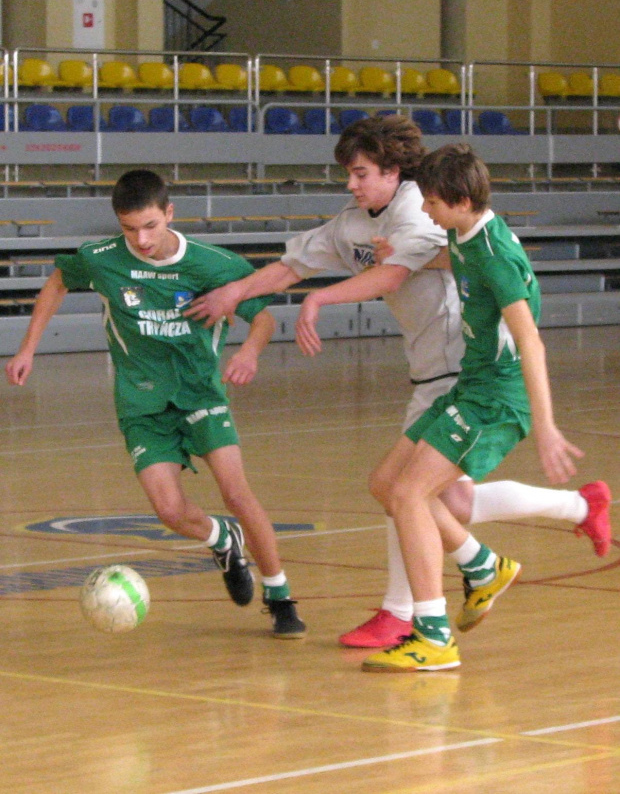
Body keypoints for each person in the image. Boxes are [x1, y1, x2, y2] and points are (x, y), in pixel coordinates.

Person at [184, 117, 612, 650]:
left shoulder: (423, 203)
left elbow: (399, 274)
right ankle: (562, 518)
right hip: (438, 371)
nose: (351, 184)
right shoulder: (356, 222)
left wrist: (322, 298)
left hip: (469, 369)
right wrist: (237, 292)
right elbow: (291, 267)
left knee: (408, 492)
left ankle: (408, 612)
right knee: (438, 500)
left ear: (393, 172)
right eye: (348, 174)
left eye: (360, 173)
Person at [5, 169, 306, 640]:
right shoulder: (102, 259)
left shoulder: (212, 264)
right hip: (142, 403)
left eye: (150, 225)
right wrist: (27, 348)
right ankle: (222, 540)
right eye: (129, 228)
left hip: (201, 394)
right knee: (169, 511)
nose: (141, 239)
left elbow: (262, 318)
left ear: (169, 213)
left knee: (237, 494)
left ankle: (281, 596)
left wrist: (247, 352)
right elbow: (57, 284)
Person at [361, 142, 599, 672]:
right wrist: (402, 259)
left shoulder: (497, 259)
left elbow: (531, 343)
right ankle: (481, 565)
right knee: (385, 483)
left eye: (432, 203)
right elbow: (452, 255)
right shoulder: (464, 231)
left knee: (407, 494)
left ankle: (434, 635)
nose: (425, 210)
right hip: (470, 387)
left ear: (462, 200)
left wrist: (545, 427)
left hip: (497, 399)